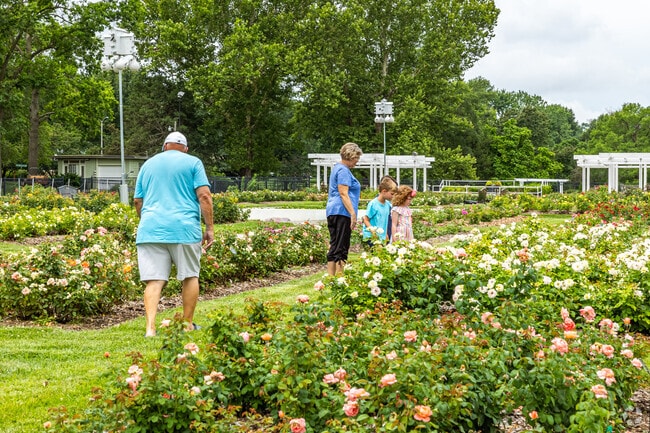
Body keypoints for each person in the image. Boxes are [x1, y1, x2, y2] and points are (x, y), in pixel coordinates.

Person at [134, 131, 214, 337]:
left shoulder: (148, 165)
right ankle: (187, 324)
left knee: (154, 280)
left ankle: (150, 328)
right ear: (185, 148)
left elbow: (137, 201)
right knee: (189, 276)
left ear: (164, 146)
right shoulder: (193, 163)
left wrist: (147, 220)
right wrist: (209, 228)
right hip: (184, 229)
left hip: (151, 230)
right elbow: (204, 196)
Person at [325, 142, 363, 276]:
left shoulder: (337, 168)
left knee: (335, 244)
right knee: (342, 245)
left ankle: (331, 278)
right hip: (342, 212)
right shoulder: (343, 171)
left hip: (333, 210)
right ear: (350, 156)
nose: (357, 161)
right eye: (356, 158)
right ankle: (340, 278)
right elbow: (343, 193)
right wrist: (352, 213)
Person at [362, 176, 396, 246]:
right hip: (371, 237)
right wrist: (373, 232)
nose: (393, 196)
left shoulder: (388, 205)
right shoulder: (373, 204)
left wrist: (386, 234)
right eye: (392, 194)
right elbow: (366, 220)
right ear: (384, 191)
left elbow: (385, 221)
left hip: (381, 237)